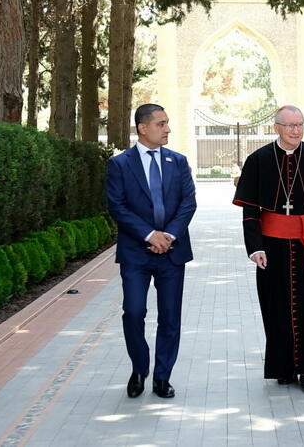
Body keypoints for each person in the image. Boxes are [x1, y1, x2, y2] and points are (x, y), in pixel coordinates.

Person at [233, 105, 304, 392]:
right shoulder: (259, 160)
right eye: (290, 125)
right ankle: (283, 367)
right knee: (275, 306)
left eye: (299, 125)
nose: (295, 130)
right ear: (277, 128)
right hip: (272, 246)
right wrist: (254, 248)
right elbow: (250, 211)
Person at [106, 103, 197, 399]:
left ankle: (162, 377)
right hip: (136, 253)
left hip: (172, 253)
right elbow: (117, 206)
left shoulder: (178, 162)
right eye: (161, 124)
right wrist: (149, 234)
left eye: (167, 123)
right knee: (133, 312)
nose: (167, 129)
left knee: (170, 317)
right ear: (143, 128)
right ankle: (139, 368)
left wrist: (168, 235)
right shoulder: (120, 164)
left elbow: (188, 203)